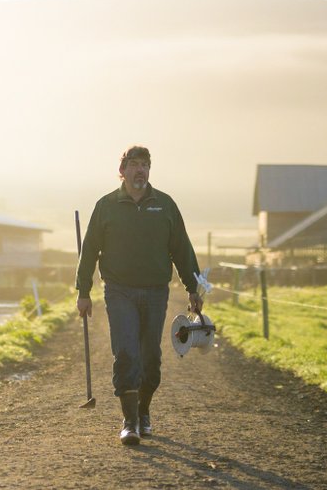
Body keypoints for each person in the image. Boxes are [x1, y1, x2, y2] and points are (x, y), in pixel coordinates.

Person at [75, 145, 203, 445]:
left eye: (145, 164)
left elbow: (182, 248)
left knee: (151, 358)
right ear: (123, 171)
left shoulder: (166, 205)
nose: (140, 170)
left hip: (156, 291)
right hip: (119, 291)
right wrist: (83, 291)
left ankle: (144, 411)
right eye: (134, 164)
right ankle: (129, 421)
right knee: (126, 352)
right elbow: (89, 250)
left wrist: (193, 287)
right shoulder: (106, 206)